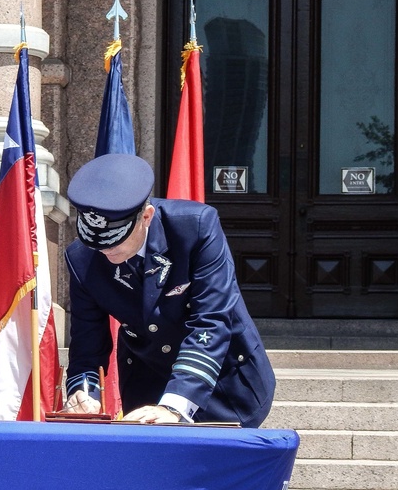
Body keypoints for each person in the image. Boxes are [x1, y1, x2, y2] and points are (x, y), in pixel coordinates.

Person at [62, 153, 275, 427]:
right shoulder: (82, 258)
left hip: (224, 385)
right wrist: (84, 393)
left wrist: (175, 405)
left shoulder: (195, 227)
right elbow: (87, 347)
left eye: (115, 241)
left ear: (146, 217)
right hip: (146, 385)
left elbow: (211, 321)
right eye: (96, 243)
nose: (105, 250)